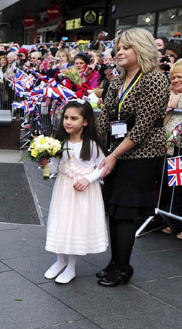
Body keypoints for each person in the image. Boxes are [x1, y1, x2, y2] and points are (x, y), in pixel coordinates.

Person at [96, 28, 170, 287]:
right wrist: (88, 143)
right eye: (118, 47)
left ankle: (123, 267)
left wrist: (113, 155)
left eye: (126, 47)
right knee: (115, 210)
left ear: (141, 49)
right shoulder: (116, 81)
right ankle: (115, 262)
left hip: (143, 153)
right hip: (119, 151)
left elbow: (143, 127)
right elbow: (105, 116)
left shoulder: (155, 79)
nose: (119, 52)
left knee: (125, 211)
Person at [40, 101, 108, 284]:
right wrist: (45, 165)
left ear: (85, 122)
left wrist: (88, 179)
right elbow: (54, 169)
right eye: (66, 118)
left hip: (83, 192)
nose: (68, 122)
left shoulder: (92, 145)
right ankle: (59, 261)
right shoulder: (58, 143)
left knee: (76, 225)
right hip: (63, 189)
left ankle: (71, 267)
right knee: (61, 223)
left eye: (74, 118)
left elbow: (102, 167)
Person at [161, 59, 182, 240]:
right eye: (172, 77)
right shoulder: (173, 94)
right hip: (174, 147)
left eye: (179, 76)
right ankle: (173, 222)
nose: (175, 80)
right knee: (177, 185)